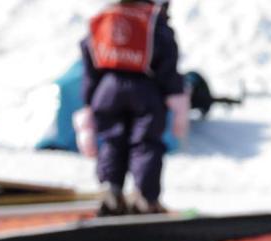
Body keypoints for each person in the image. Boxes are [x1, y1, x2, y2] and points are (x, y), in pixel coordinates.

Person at [77, 0, 188, 215]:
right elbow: (167, 59)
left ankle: (111, 191)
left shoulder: (105, 16)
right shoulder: (152, 18)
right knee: (145, 143)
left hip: (107, 87)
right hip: (144, 88)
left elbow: (88, 55)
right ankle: (145, 197)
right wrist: (174, 95)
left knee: (111, 140)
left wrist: (89, 100)